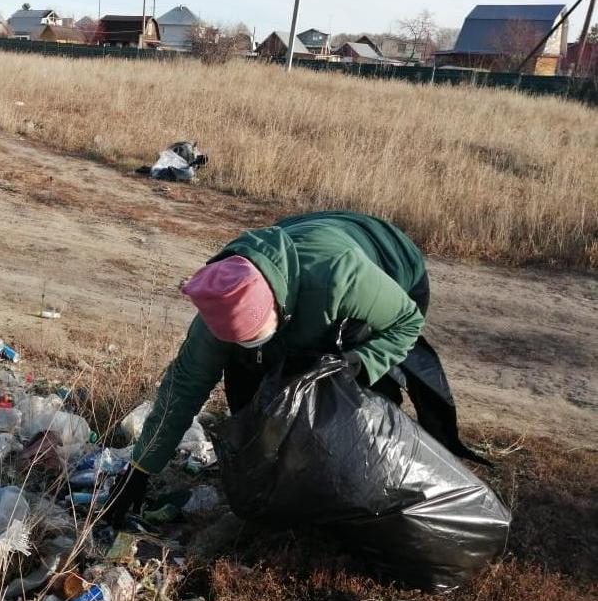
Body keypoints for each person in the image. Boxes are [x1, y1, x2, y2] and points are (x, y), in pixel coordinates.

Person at [104, 210, 480, 527]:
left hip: (390, 267)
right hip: (301, 267)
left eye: (257, 336)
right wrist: (140, 469)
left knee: (353, 403)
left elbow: (406, 322)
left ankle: (368, 488)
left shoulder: (339, 277)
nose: (254, 347)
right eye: (243, 341)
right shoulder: (219, 308)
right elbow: (184, 387)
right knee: (255, 388)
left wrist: (361, 361)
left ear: (277, 309)